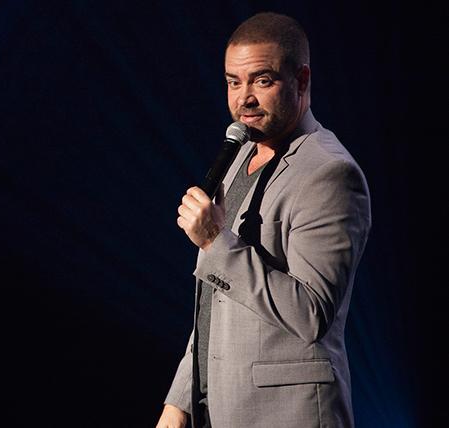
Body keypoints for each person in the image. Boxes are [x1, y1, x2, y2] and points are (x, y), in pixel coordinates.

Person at [156, 12, 371, 428]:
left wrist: (215, 241)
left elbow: (311, 313)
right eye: (234, 82)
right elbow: (217, 297)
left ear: (301, 80)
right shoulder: (240, 154)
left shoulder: (330, 174)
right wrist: (180, 401)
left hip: (289, 415)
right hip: (219, 409)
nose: (244, 99)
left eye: (262, 80)